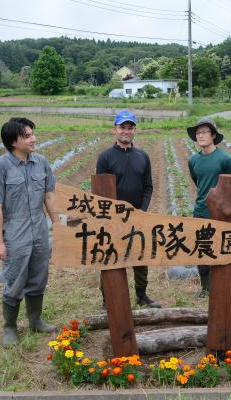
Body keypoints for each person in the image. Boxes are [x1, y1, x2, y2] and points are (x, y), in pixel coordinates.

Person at [0, 117, 58, 347]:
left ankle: (35, 320)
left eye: (32, 134)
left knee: (39, 276)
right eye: (27, 136)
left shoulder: (41, 162)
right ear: (13, 141)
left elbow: (49, 196)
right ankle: (9, 327)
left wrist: (57, 223)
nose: (33, 139)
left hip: (39, 228)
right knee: (15, 278)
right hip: (15, 231)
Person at [96, 110, 161, 308]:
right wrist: (112, 215)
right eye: (122, 127)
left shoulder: (142, 156)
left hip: (137, 216)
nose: (126, 131)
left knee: (140, 256)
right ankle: (108, 299)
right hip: (113, 219)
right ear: (115, 130)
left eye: (130, 127)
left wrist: (141, 211)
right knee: (110, 256)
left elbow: (148, 186)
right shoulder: (105, 158)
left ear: (134, 130)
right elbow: (100, 191)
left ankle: (141, 295)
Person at [187, 117, 231, 298]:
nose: (200, 136)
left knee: (219, 248)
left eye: (204, 132)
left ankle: (221, 285)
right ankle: (205, 288)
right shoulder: (193, 160)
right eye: (198, 133)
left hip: (220, 213)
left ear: (213, 135)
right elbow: (198, 182)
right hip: (200, 210)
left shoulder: (226, 160)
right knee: (202, 249)